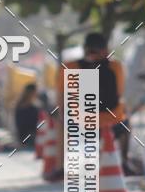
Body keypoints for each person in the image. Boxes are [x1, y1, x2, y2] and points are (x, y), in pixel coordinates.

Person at [52, 31, 127, 181]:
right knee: (126, 122)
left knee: (60, 124)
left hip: (81, 123)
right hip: (113, 121)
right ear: (105, 49)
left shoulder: (70, 66)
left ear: (85, 48)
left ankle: (60, 168)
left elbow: (61, 99)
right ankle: (124, 163)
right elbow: (119, 93)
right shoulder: (116, 66)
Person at [14, 82, 39, 148]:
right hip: (28, 138)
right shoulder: (29, 108)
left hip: (24, 138)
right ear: (32, 93)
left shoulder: (19, 105)